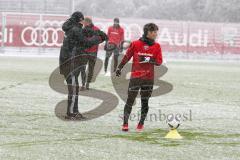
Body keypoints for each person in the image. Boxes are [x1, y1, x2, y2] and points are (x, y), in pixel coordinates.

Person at [59, 11, 107, 120]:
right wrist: (100, 38)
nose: (83, 22)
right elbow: (86, 43)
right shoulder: (75, 30)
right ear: (79, 20)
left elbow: (82, 34)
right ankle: (71, 113)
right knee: (74, 88)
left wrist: (94, 32)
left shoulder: (71, 28)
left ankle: (74, 112)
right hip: (70, 62)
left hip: (67, 61)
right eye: (82, 19)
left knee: (74, 87)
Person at [115, 23, 163, 132]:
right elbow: (127, 56)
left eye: (156, 32)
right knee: (130, 100)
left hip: (148, 79)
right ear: (148, 32)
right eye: (154, 32)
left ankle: (140, 124)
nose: (156, 34)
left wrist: (150, 60)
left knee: (145, 102)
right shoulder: (136, 44)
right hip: (135, 78)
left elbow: (159, 62)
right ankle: (125, 124)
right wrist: (119, 67)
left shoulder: (157, 46)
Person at [81, 17, 100, 90]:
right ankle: (84, 84)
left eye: (84, 23)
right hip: (87, 52)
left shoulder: (96, 29)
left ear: (88, 22)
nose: (83, 24)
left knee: (89, 69)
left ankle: (87, 83)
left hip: (92, 52)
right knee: (84, 68)